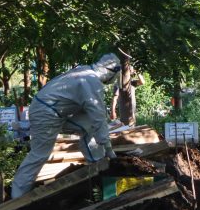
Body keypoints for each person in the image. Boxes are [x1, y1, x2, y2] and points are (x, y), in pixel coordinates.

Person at [10, 53, 121, 199]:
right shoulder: (91, 81)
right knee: (39, 154)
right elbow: (98, 114)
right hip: (47, 112)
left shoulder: (85, 71)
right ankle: (16, 197)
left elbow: (94, 119)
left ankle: (98, 167)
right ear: (111, 72)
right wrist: (109, 149)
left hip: (54, 111)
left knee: (91, 126)